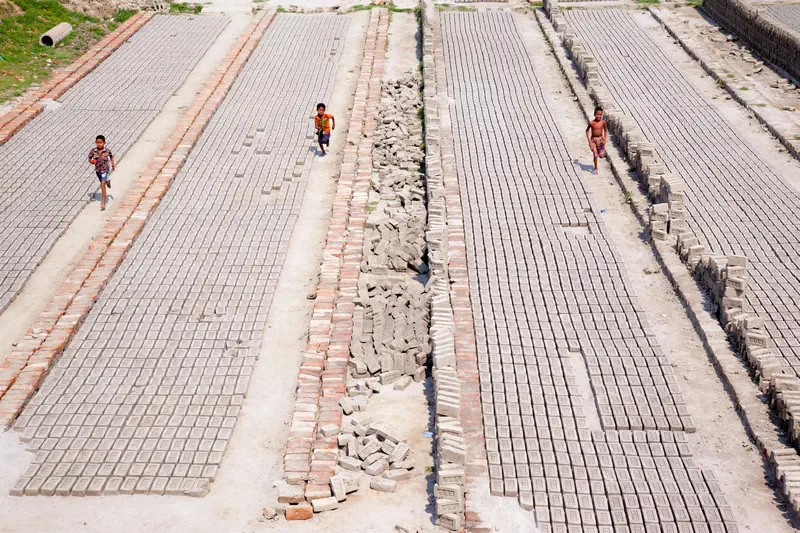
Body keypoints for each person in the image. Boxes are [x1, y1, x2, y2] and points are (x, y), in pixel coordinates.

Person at [88, 135, 115, 210]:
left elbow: (111, 156)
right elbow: (89, 158)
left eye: (100, 142)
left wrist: (113, 164)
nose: (99, 144)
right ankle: (107, 181)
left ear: (104, 143)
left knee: (102, 185)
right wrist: (91, 161)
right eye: (97, 142)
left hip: (105, 170)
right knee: (103, 183)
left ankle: (103, 203)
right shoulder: (93, 151)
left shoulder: (107, 151)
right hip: (98, 170)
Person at [585, 106, 607, 175]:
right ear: (594, 114)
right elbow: (587, 131)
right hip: (593, 140)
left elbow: (605, 131)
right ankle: (596, 168)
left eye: (600, 115)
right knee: (595, 155)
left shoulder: (603, 122)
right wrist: (589, 141)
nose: (599, 116)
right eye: (597, 115)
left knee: (601, 156)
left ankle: (602, 151)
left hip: (600, 140)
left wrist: (604, 139)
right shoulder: (591, 123)